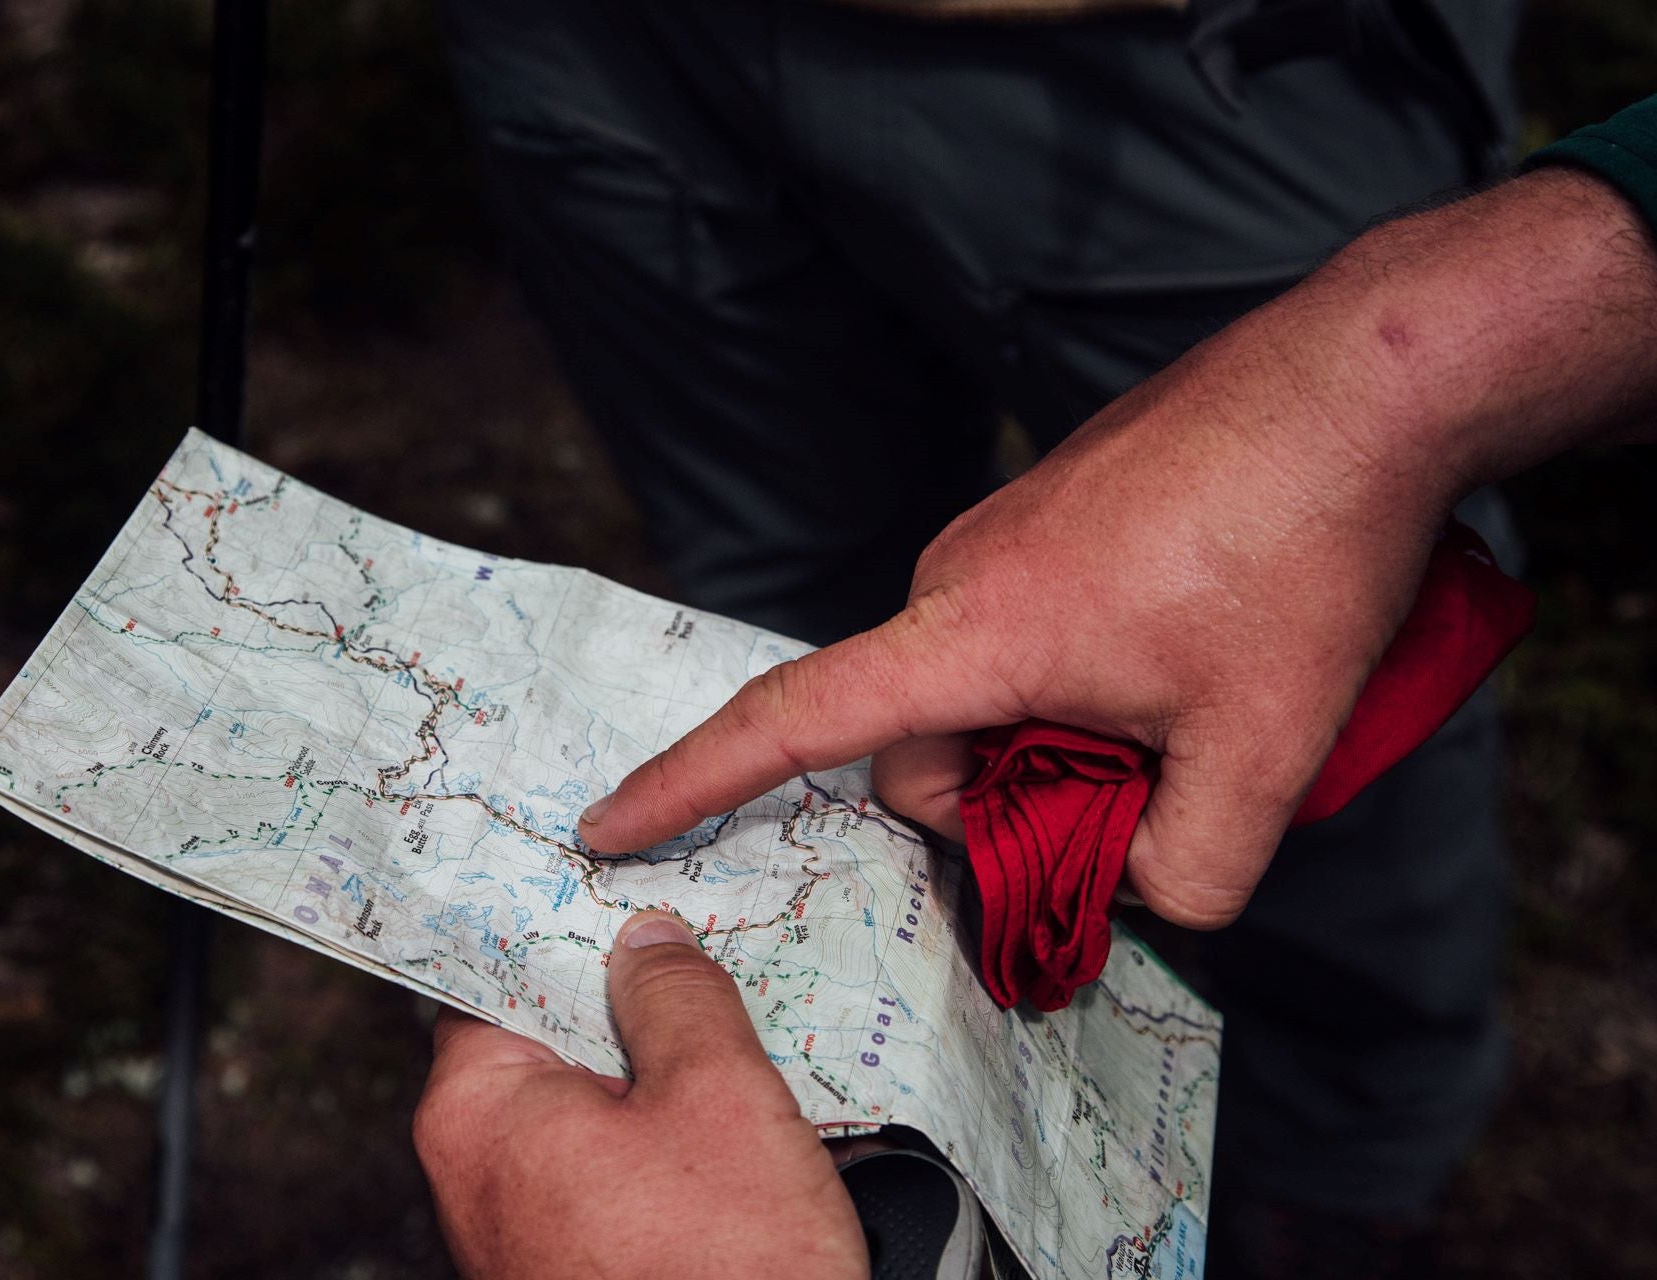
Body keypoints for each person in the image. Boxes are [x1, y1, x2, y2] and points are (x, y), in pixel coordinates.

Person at [417, 90, 1657, 1276]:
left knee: (1315, 781)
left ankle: (1346, 1181)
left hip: (1206, 77)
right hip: (615, 73)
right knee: (800, 598)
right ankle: (873, 1119)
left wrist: (1388, 383)